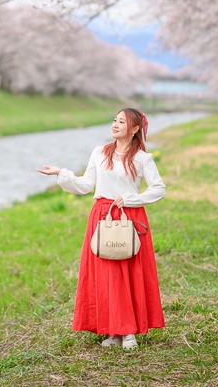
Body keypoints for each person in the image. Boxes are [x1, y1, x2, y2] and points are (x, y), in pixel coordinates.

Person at [37, 107, 165, 350]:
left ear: (135, 129)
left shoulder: (142, 158)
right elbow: (86, 185)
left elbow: (158, 188)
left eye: (121, 122)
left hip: (129, 215)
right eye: (114, 120)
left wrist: (130, 199)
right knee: (106, 273)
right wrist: (61, 174)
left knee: (128, 272)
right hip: (101, 216)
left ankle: (129, 331)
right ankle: (112, 331)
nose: (115, 125)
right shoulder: (99, 152)